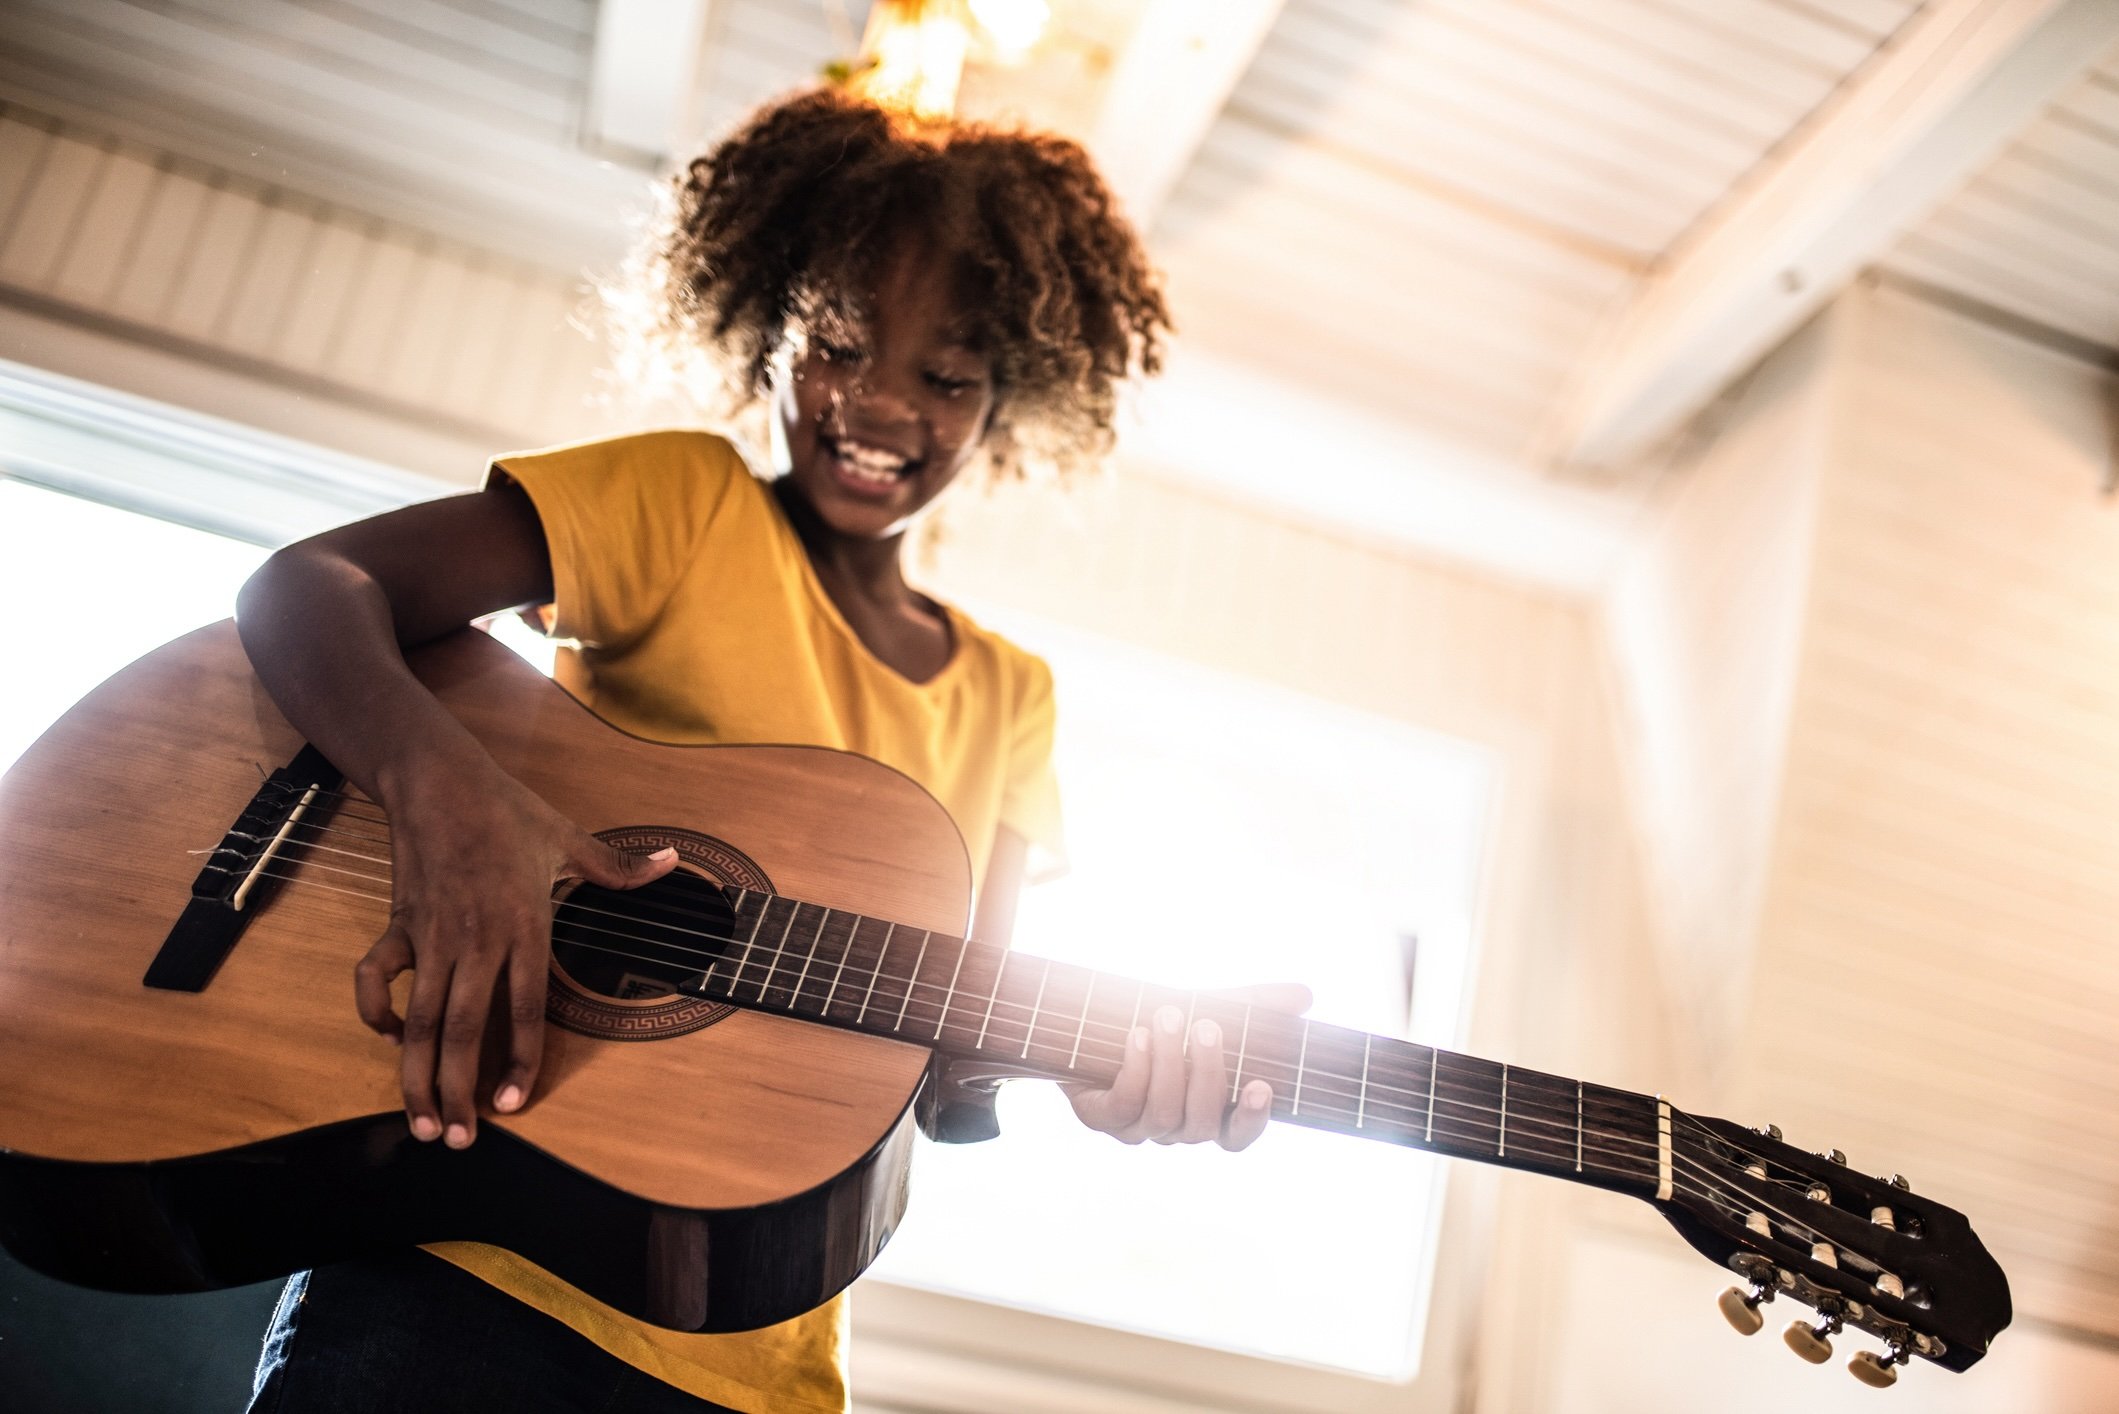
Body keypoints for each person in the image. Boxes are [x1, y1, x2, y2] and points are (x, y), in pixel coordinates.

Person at [234, 86, 1305, 1413]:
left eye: (947, 376)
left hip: (753, 1360)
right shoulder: (686, 506)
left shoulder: (1011, 698)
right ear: (773, 330)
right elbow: (308, 588)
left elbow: (955, 1050)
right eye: (838, 347)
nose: (879, 407)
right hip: (467, 1277)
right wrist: (450, 801)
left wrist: (1111, 1069)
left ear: (1008, 398)